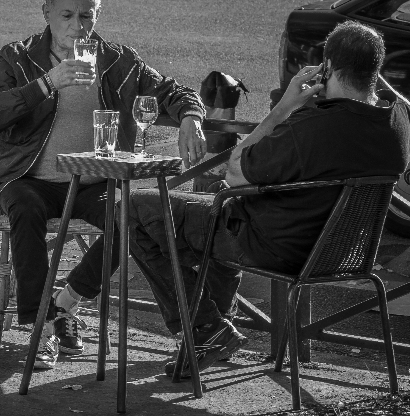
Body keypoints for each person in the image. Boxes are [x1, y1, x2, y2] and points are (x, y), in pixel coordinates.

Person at [126, 20, 410, 377]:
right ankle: (212, 331)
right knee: (214, 209)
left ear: (328, 68)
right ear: (375, 71)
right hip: (343, 251)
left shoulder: (312, 127)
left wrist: (286, 105)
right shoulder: (397, 120)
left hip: (275, 248)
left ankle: (206, 327)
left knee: (133, 210)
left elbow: (236, 168)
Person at [0, 0, 207, 370]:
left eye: (87, 16)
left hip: (93, 179)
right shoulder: (17, 57)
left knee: (131, 218)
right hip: (30, 178)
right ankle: (42, 328)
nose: (77, 26)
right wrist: (47, 82)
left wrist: (190, 115)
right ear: (46, 12)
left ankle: (66, 303)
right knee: (24, 210)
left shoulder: (118, 59)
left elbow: (170, 90)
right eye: (67, 14)